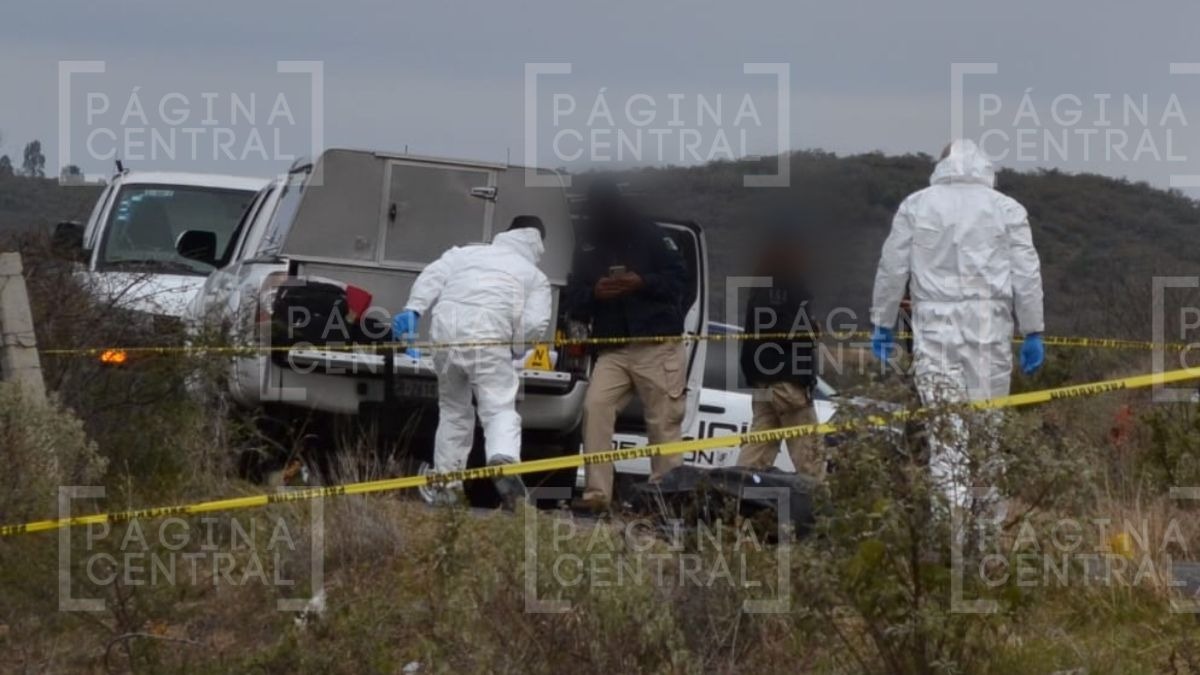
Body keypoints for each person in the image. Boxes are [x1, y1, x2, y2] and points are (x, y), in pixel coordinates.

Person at [869, 139, 1045, 504]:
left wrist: (883, 321)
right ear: (985, 166)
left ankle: (949, 533)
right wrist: (1032, 330)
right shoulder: (1007, 209)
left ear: (941, 165)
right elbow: (1027, 274)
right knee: (988, 435)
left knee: (945, 435)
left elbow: (892, 268)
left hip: (934, 330)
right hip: (989, 329)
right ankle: (988, 539)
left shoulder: (917, 205)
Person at [392, 216, 552, 508]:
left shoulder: (466, 253)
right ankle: (503, 459)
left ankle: (447, 483)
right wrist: (517, 348)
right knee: (498, 408)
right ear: (539, 242)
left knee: (453, 411)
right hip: (490, 339)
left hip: (444, 335)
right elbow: (536, 322)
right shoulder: (534, 276)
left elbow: (433, 274)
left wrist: (413, 310)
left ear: (506, 232)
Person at [566, 180, 689, 512]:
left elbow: (680, 281)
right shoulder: (588, 245)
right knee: (595, 409)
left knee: (662, 422)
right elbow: (573, 294)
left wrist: (642, 282)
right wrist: (595, 293)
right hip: (613, 348)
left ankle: (666, 501)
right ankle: (597, 496)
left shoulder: (651, 235)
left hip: (657, 345)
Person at [737, 233, 824, 478]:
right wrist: (810, 331)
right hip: (787, 380)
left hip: (762, 380)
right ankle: (819, 509)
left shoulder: (760, 286)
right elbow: (782, 330)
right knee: (810, 456)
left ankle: (735, 496)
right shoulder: (791, 286)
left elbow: (765, 328)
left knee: (758, 447)